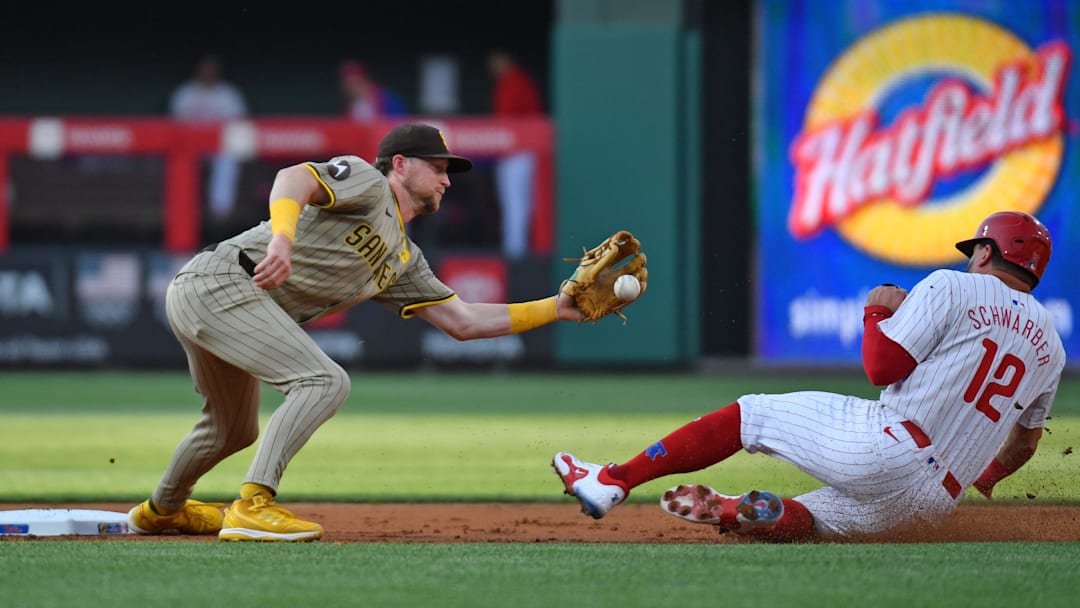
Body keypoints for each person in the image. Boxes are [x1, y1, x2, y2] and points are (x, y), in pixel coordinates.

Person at [127, 123, 585, 542]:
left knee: (231, 429)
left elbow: (462, 322)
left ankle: (162, 510)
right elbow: (293, 177)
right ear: (400, 165)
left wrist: (557, 308)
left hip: (229, 298)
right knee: (324, 381)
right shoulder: (370, 182)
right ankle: (254, 505)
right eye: (438, 168)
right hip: (222, 282)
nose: (447, 180)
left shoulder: (403, 257)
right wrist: (282, 241)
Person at [555, 210, 1064, 542]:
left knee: (749, 415)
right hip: (931, 502)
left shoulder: (954, 287)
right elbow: (1023, 445)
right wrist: (988, 475)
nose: (971, 255)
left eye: (975, 247)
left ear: (989, 251)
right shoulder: (1053, 346)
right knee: (813, 520)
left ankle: (610, 481)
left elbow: (881, 368)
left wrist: (877, 314)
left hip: (886, 446)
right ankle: (738, 510)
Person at [170, 53, 249, 223]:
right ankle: (184, 212)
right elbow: (177, 124)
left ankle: (220, 209)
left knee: (228, 158)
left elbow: (239, 125)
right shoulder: (186, 93)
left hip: (218, 148)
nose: (208, 73)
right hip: (190, 147)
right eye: (205, 70)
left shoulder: (228, 94)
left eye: (212, 70)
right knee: (181, 160)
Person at [487, 49, 544, 259]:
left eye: (496, 61)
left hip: (520, 152)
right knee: (516, 208)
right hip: (510, 153)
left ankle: (516, 255)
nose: (494, 66)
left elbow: (518, 118)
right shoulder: (505, 83)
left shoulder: (518, 82)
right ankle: (515, 251)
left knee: (518, 208)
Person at [340, 59, 409, 122]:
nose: (351, 88)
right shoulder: (350, 105)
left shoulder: (387, 98)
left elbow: (400, 123)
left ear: (365, 80)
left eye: (356, 82)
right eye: (348, 84)